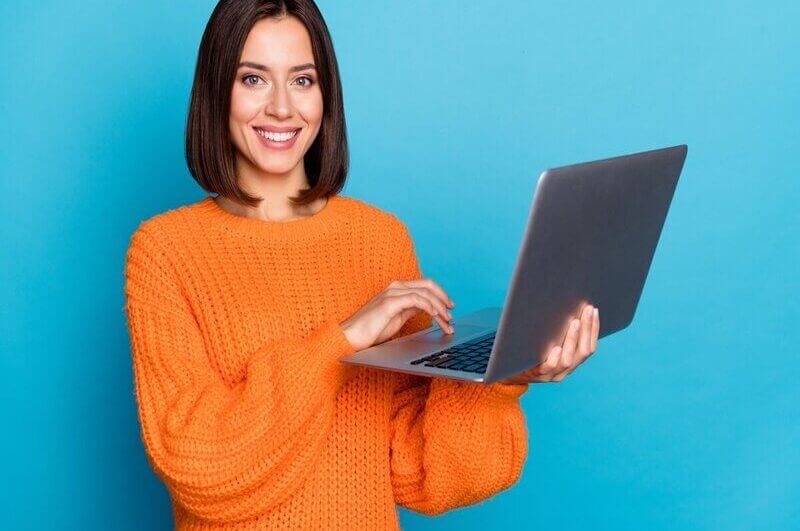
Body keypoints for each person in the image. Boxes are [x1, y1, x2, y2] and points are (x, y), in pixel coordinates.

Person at [123, 0, 601, 529]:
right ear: (217, 90)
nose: (281, 107)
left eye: (302, 80)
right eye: (253, 79)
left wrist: (505, 375)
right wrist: (344, 340)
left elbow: (418, 470)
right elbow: (198, 467)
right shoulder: (166, 251)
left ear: (326, 93)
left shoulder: (380, 240)